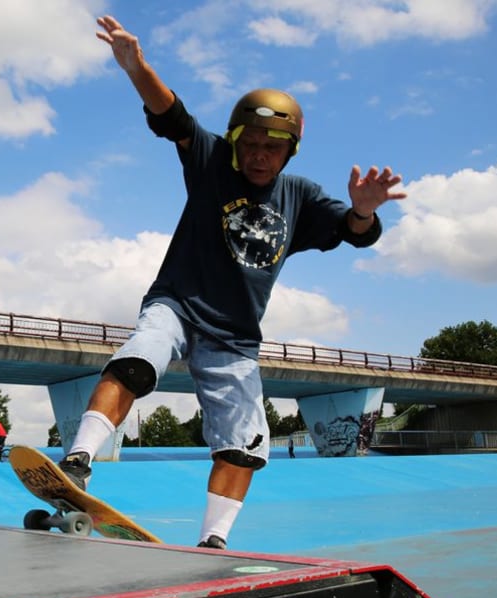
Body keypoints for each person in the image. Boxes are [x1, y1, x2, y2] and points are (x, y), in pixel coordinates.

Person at [57, 14, 407, 550]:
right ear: (237, 139)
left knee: (244, 443)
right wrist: (136, 67)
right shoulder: (212, 159)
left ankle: (213, 541)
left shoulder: (302, 195)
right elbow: (171, 114)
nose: (260, 157)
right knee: (136, 360)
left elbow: (354, 233)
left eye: (274, 147)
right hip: (177, 303)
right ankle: (78, 461)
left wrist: (362, 211)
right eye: (252, 144)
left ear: (289, 151)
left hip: (236, 336)